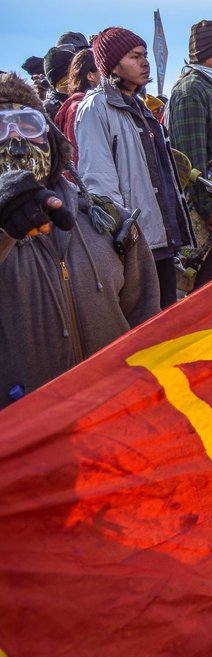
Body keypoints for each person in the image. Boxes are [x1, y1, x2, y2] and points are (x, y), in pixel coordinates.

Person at [0, 73, 157, 409]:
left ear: (51, 139)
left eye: (27, 125)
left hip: (114, 416)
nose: (14, 141)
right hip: (25, 439)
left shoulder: (103, 218)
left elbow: (146, 317)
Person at [75, 27, 194, 309]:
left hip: (158, 239)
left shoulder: (139, 107)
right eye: (134, 56)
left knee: (165, 325)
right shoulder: (97, 107)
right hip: (134, 244)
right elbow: (99, 181)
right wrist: (122, 239)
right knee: (145, 331)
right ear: (112, 64)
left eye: (144, 55)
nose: (145, 62)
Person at [167, 20, 212, 288]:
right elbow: (187, 159)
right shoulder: (190, 91)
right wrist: (207, 209)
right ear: (205, 54)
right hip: (209, 210)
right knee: (209, 283)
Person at [54, 48, 100, 160]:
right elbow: (76, 156)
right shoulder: (79, 107)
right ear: (90, 76)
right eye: (101, 69)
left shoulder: (97, 104)